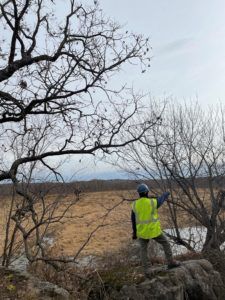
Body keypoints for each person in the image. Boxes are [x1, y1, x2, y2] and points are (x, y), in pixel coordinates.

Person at [131, 183, 180, 276]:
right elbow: (161, 200)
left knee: (143, 250)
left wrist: (134, 233)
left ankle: (147, 270)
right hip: (154, 231)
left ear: (139, 193)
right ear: (146, 192)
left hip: (142, 232)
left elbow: (133, 220)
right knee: (166, 243)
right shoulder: (152, 202)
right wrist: (166, 194)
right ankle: (171, 262)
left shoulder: (135, 205)